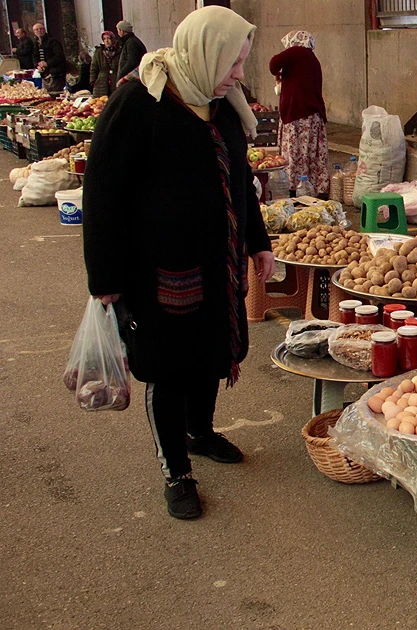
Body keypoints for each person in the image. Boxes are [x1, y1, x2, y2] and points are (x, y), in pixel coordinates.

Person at [82, 6, 275, 520]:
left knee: (212, 352)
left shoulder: (225, 107)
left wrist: (258, 243)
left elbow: (241, 185)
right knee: (168, 367)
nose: (239, 75)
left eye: (241, 62)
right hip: (160, 270)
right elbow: (102, 195)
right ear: (203, 52)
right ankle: (176, 469)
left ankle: (201, 431)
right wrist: (105, 279)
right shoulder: (138, 103)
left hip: (219, 263)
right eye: (232, 63)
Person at [268, 30, 328, 196]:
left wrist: (278, 73)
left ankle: (294, 187)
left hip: (297, 112)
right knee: (311, 152)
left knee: (296, 151)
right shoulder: (311, 58)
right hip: (313, 113)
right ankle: (317, 187)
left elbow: (273, 64)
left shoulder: (296, 52)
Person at [31, 23, 66, 92]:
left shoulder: (53, 41)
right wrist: (37, 65)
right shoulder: (35, 43)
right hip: (44, 73)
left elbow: (59, 56)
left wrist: (47, 63)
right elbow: (34, 56)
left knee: (56, 92)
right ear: (34, 32)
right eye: (36, 29)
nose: (39, 31)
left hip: (56, 73)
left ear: (44, 30)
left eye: (41, 29)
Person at [114, 20, 146, 86]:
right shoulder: (130, 41)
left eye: (118, 30)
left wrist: (121, 74)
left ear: (121, 31)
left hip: (132, 79)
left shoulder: (131, 42)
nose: (117, 33)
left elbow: (132, 62)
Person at [90, 31, 119, 97]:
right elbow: (94, 67)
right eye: (104, 39)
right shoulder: (99, 52)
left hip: (115, 80)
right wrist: (93, 81)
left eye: (108, 38)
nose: (106, 41)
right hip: (101, 82)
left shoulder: (119, 51)